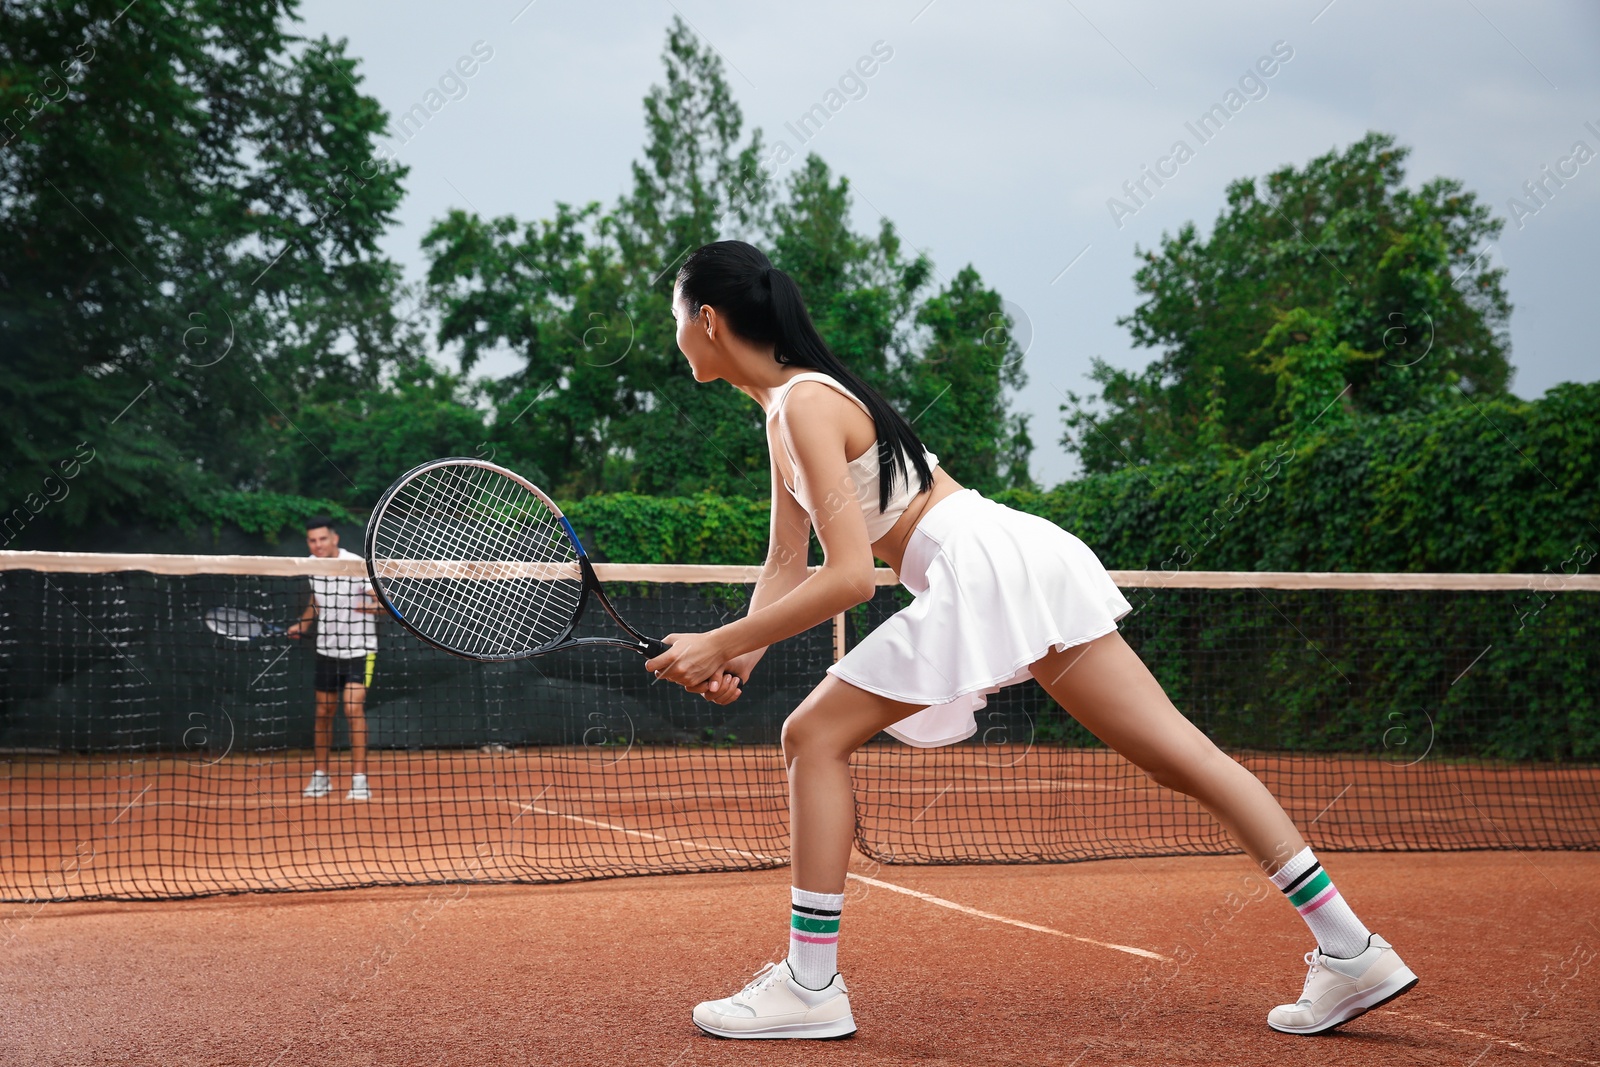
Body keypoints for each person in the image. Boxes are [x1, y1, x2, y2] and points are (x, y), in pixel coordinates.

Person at [645, 241, 1417, 1040]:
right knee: (1181, 754)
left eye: (676, 317)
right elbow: (784, 564)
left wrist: (719, 638)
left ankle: (810, 988)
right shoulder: (787, 412)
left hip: (978, 565)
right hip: (1019, 555)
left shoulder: (804, 403)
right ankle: (1351, 947)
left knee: (811, 735)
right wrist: (738, 651)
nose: (674, 336)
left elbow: (849, 579)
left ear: (708, 320)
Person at [288, 517, 379, 802]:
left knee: (353, 709)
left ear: (335, 538)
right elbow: (316, 601)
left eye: (322, 539)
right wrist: (303, 624)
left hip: (360, 651)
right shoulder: (311, 566)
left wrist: (369, 608)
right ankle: (320, 777)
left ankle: (360, 781)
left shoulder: (354, 564)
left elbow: (379, 604)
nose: (318, 545)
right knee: (323, 713)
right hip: (327, 652)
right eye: (313, 540)